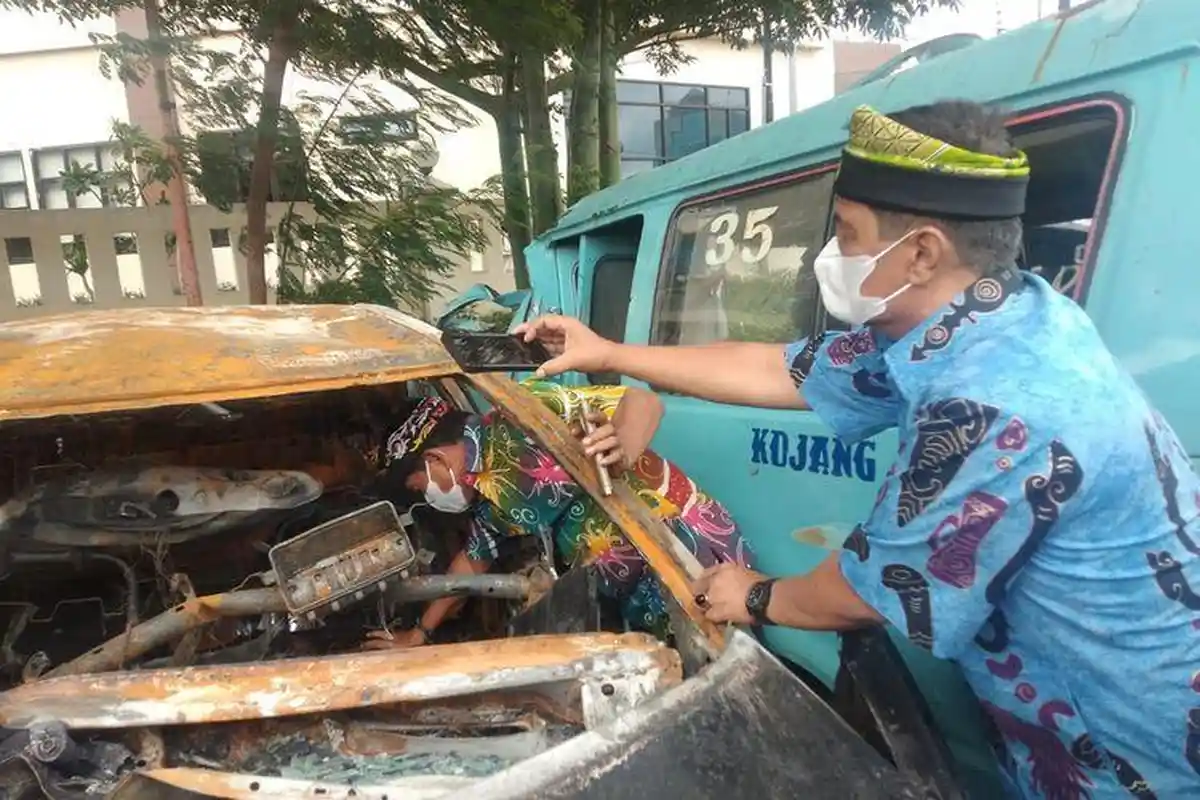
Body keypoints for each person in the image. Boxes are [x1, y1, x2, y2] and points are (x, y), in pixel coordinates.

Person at [514, 101, 1200, 797]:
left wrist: (754, 595)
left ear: (922, 251)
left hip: (1135, 752)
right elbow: (780, 368)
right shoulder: (989, 315)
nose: (831, 256)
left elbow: (870, 590)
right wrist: (607, 350)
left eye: (846, 233)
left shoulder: (996, 400)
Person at [363, 379, 751, 650]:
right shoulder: (488, 498)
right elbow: (473, 562)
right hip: (635, 590)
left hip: (682, 547)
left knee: (732, 668)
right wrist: (420, 634)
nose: (426, 498)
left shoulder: (522, 413)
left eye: (419, 486)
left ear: (434, 459)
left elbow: (645, 403)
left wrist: (620, 458)